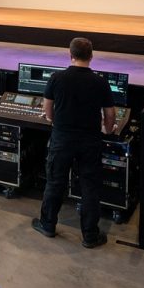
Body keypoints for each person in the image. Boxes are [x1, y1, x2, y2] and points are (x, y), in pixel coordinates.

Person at [32, 37, 116, 249]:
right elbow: (110, 112)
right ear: (91, 57)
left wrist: (52, 120)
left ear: (70, 55)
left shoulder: (57, 78)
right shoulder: (100, 82)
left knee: (55, 182)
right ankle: (90, 235)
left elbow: (47, 107)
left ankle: (47, 224)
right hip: (90, 141)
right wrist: (107, 128)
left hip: (62, 139)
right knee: (90, 187)